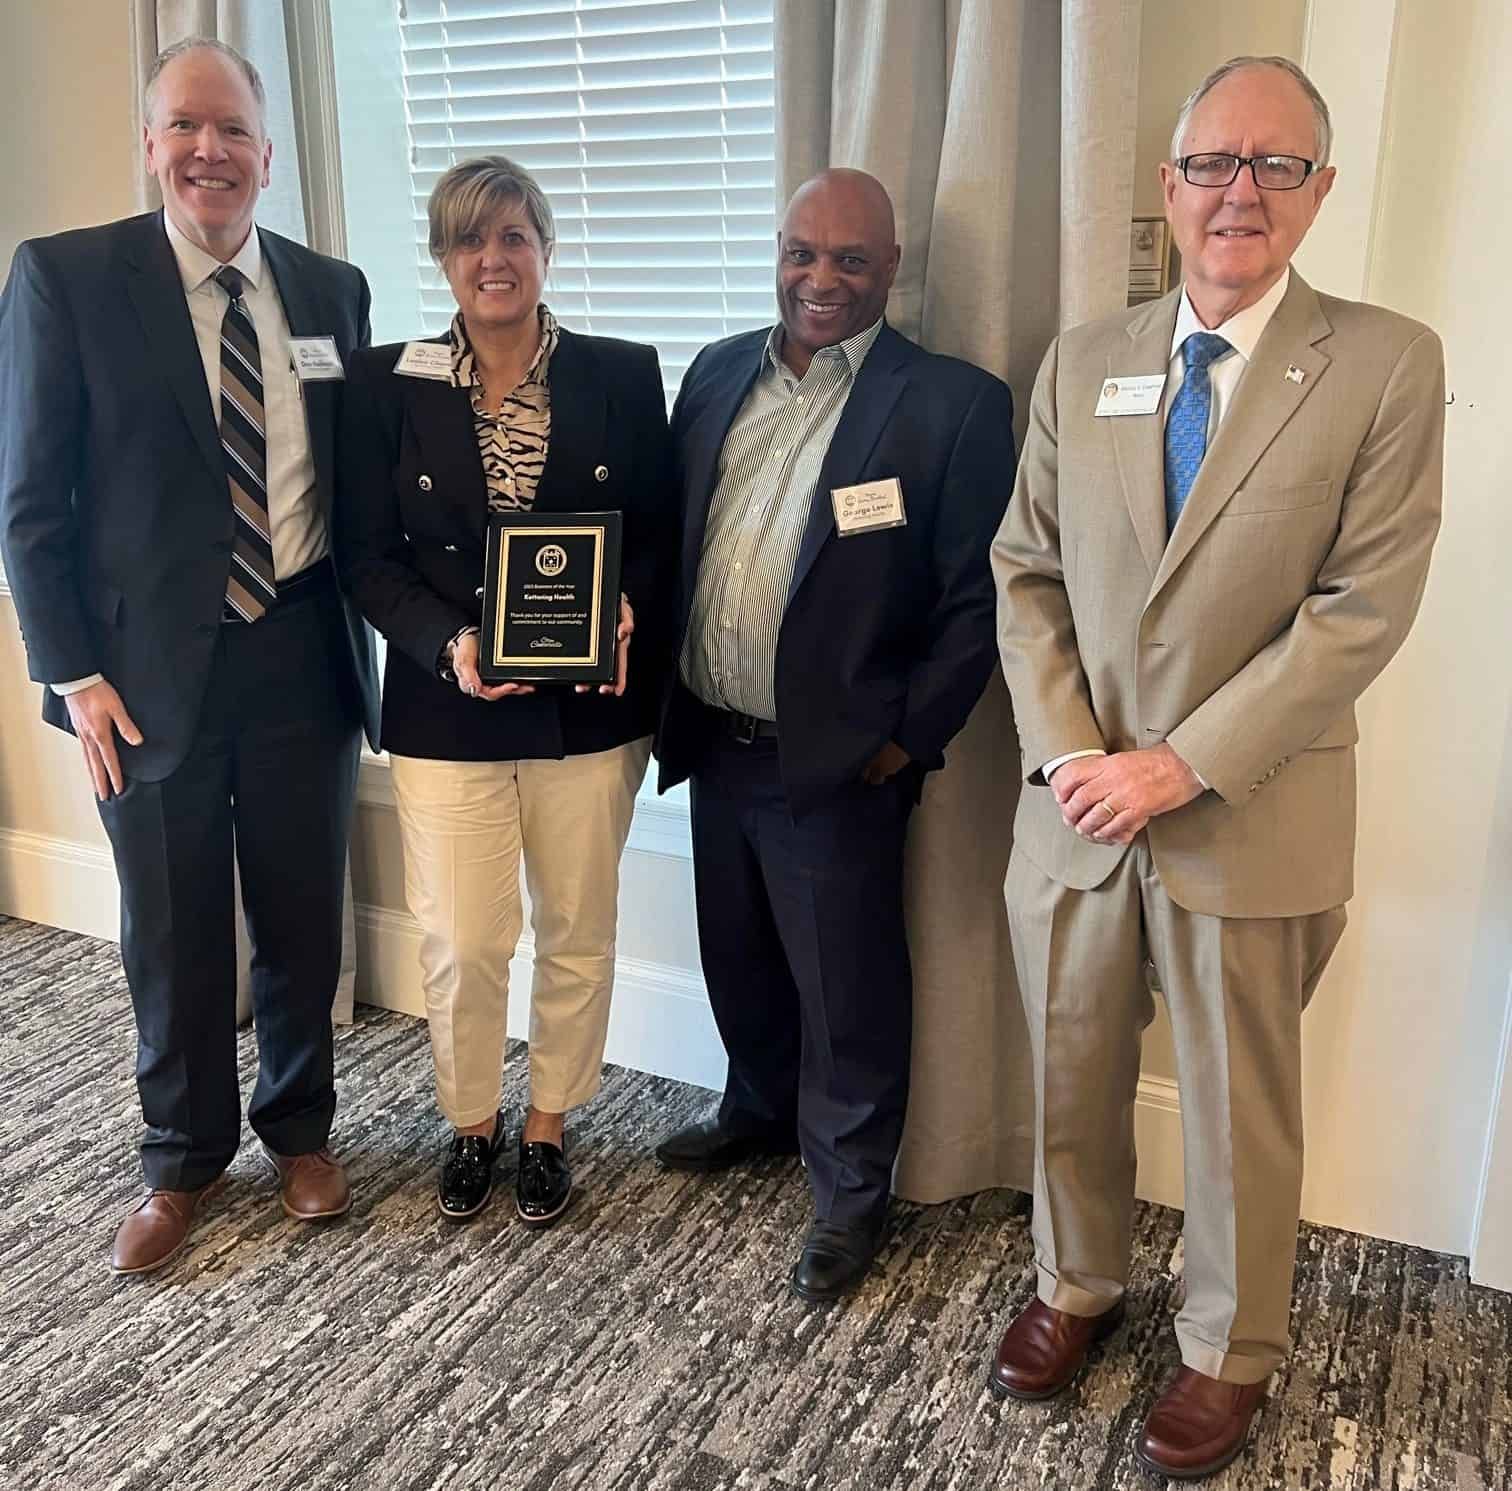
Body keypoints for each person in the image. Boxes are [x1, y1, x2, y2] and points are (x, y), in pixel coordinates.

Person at [989, 56, 1444, 1480]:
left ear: (1318, 190)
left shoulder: (1384, 361)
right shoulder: (1088, 358)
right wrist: (1077, 752)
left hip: (1248, 813)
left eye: (1276, 164)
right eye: (1212, 164)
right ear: (1169, 187)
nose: (1238, 191)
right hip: (1076, 812)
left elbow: (1361, 607)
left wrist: (1178, 765)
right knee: (1068, 1067)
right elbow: (1027, 570)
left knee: (1242, 1102)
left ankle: (1227, 1348)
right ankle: (1076, 1280)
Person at [0, 39, 380, 1275]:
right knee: (166, 925)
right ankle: (180, 1156)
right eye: (184, 128)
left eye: (231, 132)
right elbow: (29, 500)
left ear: (269, 158)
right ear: (150, 146)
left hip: (300, 651)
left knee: (299, 912)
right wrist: (71, 670)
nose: (208, 151)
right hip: (138, 680)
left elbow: (359, 480)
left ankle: (301, 1128)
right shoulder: (65, 277)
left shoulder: (332, 291)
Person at [653, 168, 1016, 1299]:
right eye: (801, 251)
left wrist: (907, 739)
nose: (820, 277)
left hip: (844, 760)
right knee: (741, 957)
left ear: (892, 269)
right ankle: (758, 1112)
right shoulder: (716, 373)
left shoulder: (952, 403)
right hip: (715, 737)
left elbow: (977, 599)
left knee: (848, 992)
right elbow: (675, 537)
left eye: (850, 259)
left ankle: (852, 1197)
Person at [335, 156, 675, 1227]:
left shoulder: (620, 374)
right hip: (449, 709)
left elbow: (661, 536)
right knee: (464, 938)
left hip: (587, 712)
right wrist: (449, 645)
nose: (495, 258)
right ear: (442, 257)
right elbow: (365, 557)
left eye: (515, 236)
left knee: (577, 923)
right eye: (472, 240)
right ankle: (471, 1119)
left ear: (545, 248)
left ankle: (550, 1126)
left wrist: (624, 607)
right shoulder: (387, 380)